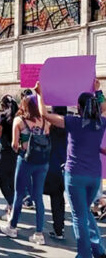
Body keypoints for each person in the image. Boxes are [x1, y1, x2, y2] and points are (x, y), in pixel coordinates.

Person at [36, 80, 106, 257]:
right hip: (94, 176)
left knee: (79, 216)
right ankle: (98, 249)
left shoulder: (73, 122)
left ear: (78, 107)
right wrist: (98, 91)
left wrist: (39, 93)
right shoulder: (100, 123)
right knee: (85, 212)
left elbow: (44, 114)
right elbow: (104, 107)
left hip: (75, 175)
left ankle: (84, 254)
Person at [0, 94, 50, 245]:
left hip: (26, 160)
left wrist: (20, 147)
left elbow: (15, 144)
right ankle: (39, 233)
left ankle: (13, 226)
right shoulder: (44, 121)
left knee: (19, 193)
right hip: (42, 161)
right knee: (38, 196)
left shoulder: (19, 120)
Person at [43, 106, 68, 240]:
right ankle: (59, 229)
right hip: (63, 166)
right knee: (58, 199)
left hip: (48, 166)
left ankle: (38, 228)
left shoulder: (49, 127)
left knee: (37, 194)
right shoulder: (69, 128)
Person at [0, 94, 18, 219]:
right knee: (12, 180)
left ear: (3, 105)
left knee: (2, 180)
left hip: (3, 151)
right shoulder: (18, 117)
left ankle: (10, 204)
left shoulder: (2, 117)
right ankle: (12, 206)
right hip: (15, 152)